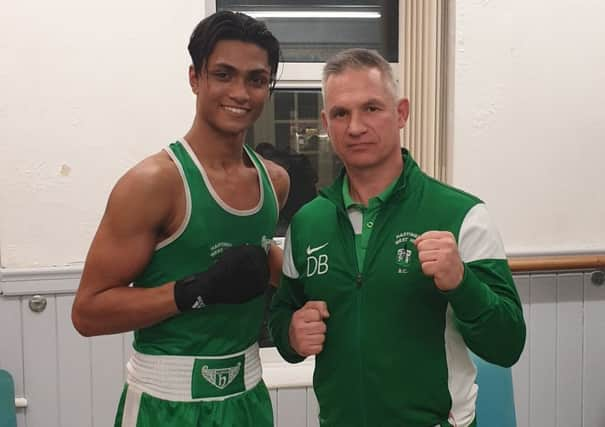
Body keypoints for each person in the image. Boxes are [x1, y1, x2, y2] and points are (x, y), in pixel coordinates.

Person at [269, 48, 526, 427]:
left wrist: (462, 283)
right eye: (341, 113)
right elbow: (283, 316)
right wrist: (291, 334)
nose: (355, 126)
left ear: (401, 113)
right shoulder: (308, 223)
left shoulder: (463, 216)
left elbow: (507, 344)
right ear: (326, 122)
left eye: (371, 108)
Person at [71, 11, 289, 427]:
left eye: (256, 79)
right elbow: (88, 312)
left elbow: (263, 264)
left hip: (248, 400)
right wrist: (192, 292)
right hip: (166, 406)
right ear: (195, 78)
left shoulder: (274, 181)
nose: (240, 92)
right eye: (224, 74)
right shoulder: (153, 183)